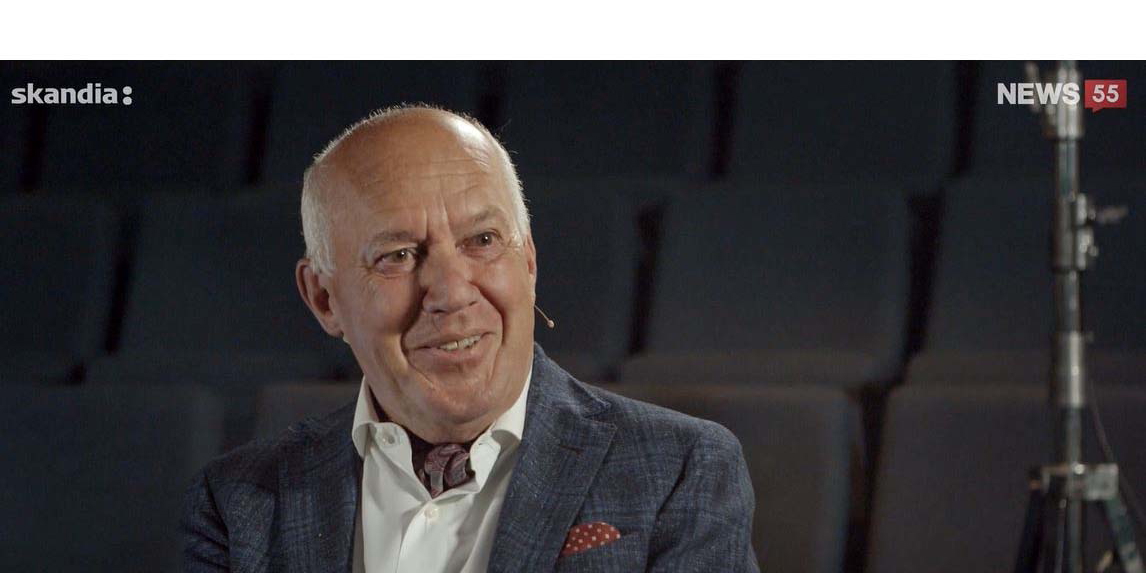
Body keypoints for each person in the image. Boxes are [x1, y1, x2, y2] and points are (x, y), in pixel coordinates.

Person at [183, 105, 759, 572]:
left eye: (482, 240)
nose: (452, 293)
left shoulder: (681, 468)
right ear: (324, 299)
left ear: (528, 261)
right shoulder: (236, 503)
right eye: (398, 255)